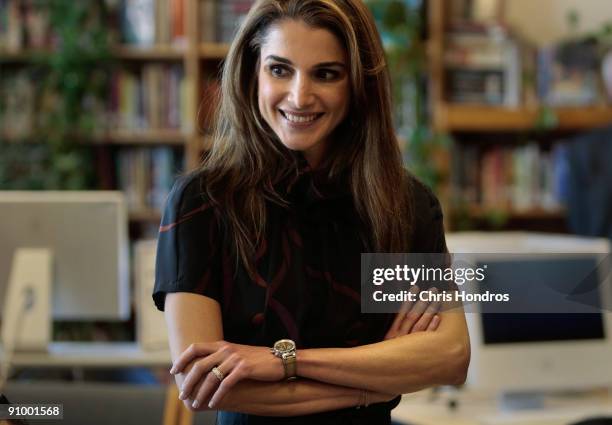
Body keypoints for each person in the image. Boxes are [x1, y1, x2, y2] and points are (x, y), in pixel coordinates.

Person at [153, 0, 470, 424]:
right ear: (252, 73)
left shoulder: (406, 204)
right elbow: (202, 385)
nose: (299, 96)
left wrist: (283, 363)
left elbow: (450, 358)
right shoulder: (203, 203)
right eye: (279, 69)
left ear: (359, 84)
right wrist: (378, 380)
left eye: (326, 73)